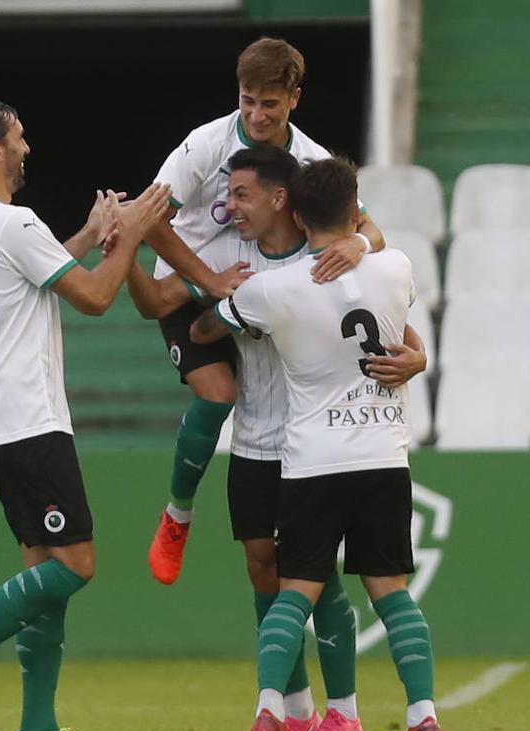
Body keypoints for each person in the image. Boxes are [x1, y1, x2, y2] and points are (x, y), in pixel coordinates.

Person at [0, 97, 170, 731]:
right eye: (19, 137)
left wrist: (86, 235)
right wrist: (132, 232)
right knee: (76, 565)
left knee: (43, 575)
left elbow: (32, 278)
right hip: (27, 414)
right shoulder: (14, 222)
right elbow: (95, 298)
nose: (27, 147)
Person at [163, 145, 426, 731]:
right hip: (342, 448)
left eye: (241, 195)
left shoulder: (280, 285)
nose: (228, 207)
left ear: (291, 207)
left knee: (302, 584)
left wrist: (229, 308)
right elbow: (391, 304)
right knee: (337, 579)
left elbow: (201, 328)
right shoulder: (391, 265)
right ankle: (406, 714)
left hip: (309, 452)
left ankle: (307, 709)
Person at [128, 37, 389, 587]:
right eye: (248, 100)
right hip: (193, 279)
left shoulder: (313, 160)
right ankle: (177, 514)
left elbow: (372, 230)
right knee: (218, 392)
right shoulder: (205, 145)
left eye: (269, 103)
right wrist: (208, 280)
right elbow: (148, 219)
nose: (256, 114)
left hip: (269, 284)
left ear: (294, 98)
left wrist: (359, 245)